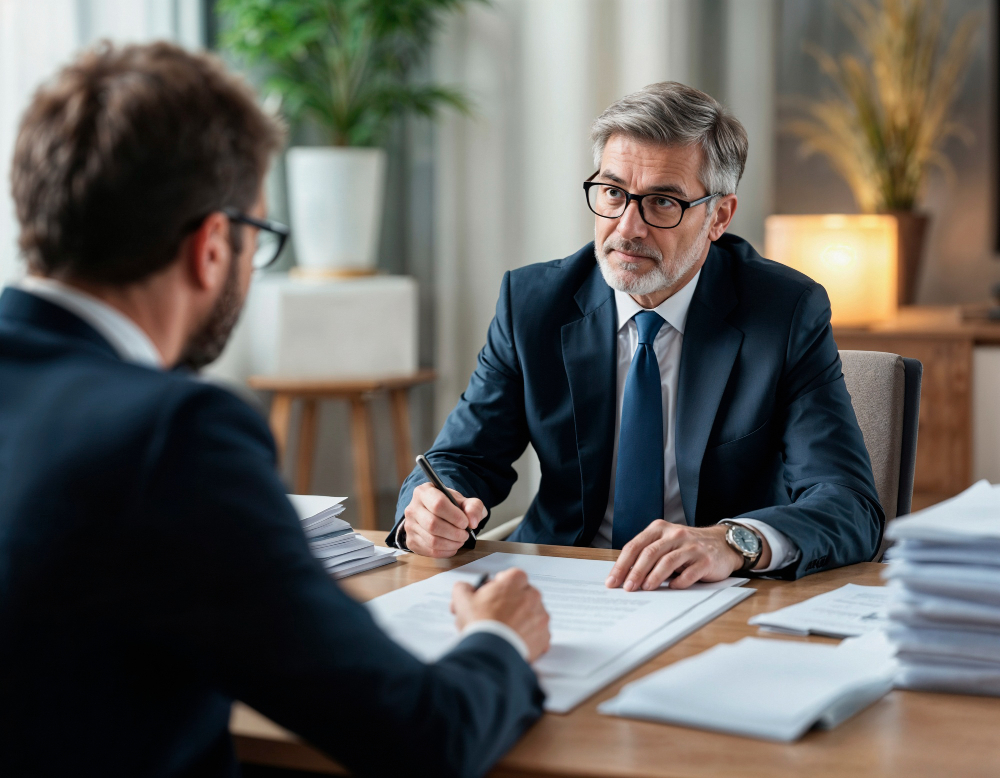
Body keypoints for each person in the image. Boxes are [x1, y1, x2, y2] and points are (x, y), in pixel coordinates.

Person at [0, 43, 549, 778]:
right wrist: (498, 639)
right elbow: (424, 737)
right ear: (211, 247)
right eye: (259, 236)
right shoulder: (173, 436)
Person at [390, 82, 883, 589]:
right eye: (612, 192)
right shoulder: (534, 303)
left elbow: (848, 504)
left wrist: (734, 541)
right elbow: (461, 458)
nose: (628, 227)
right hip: (561, 582)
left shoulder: (782, 312)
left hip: (713, 593)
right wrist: (428, 510)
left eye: (663, 202)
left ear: (718, 217)